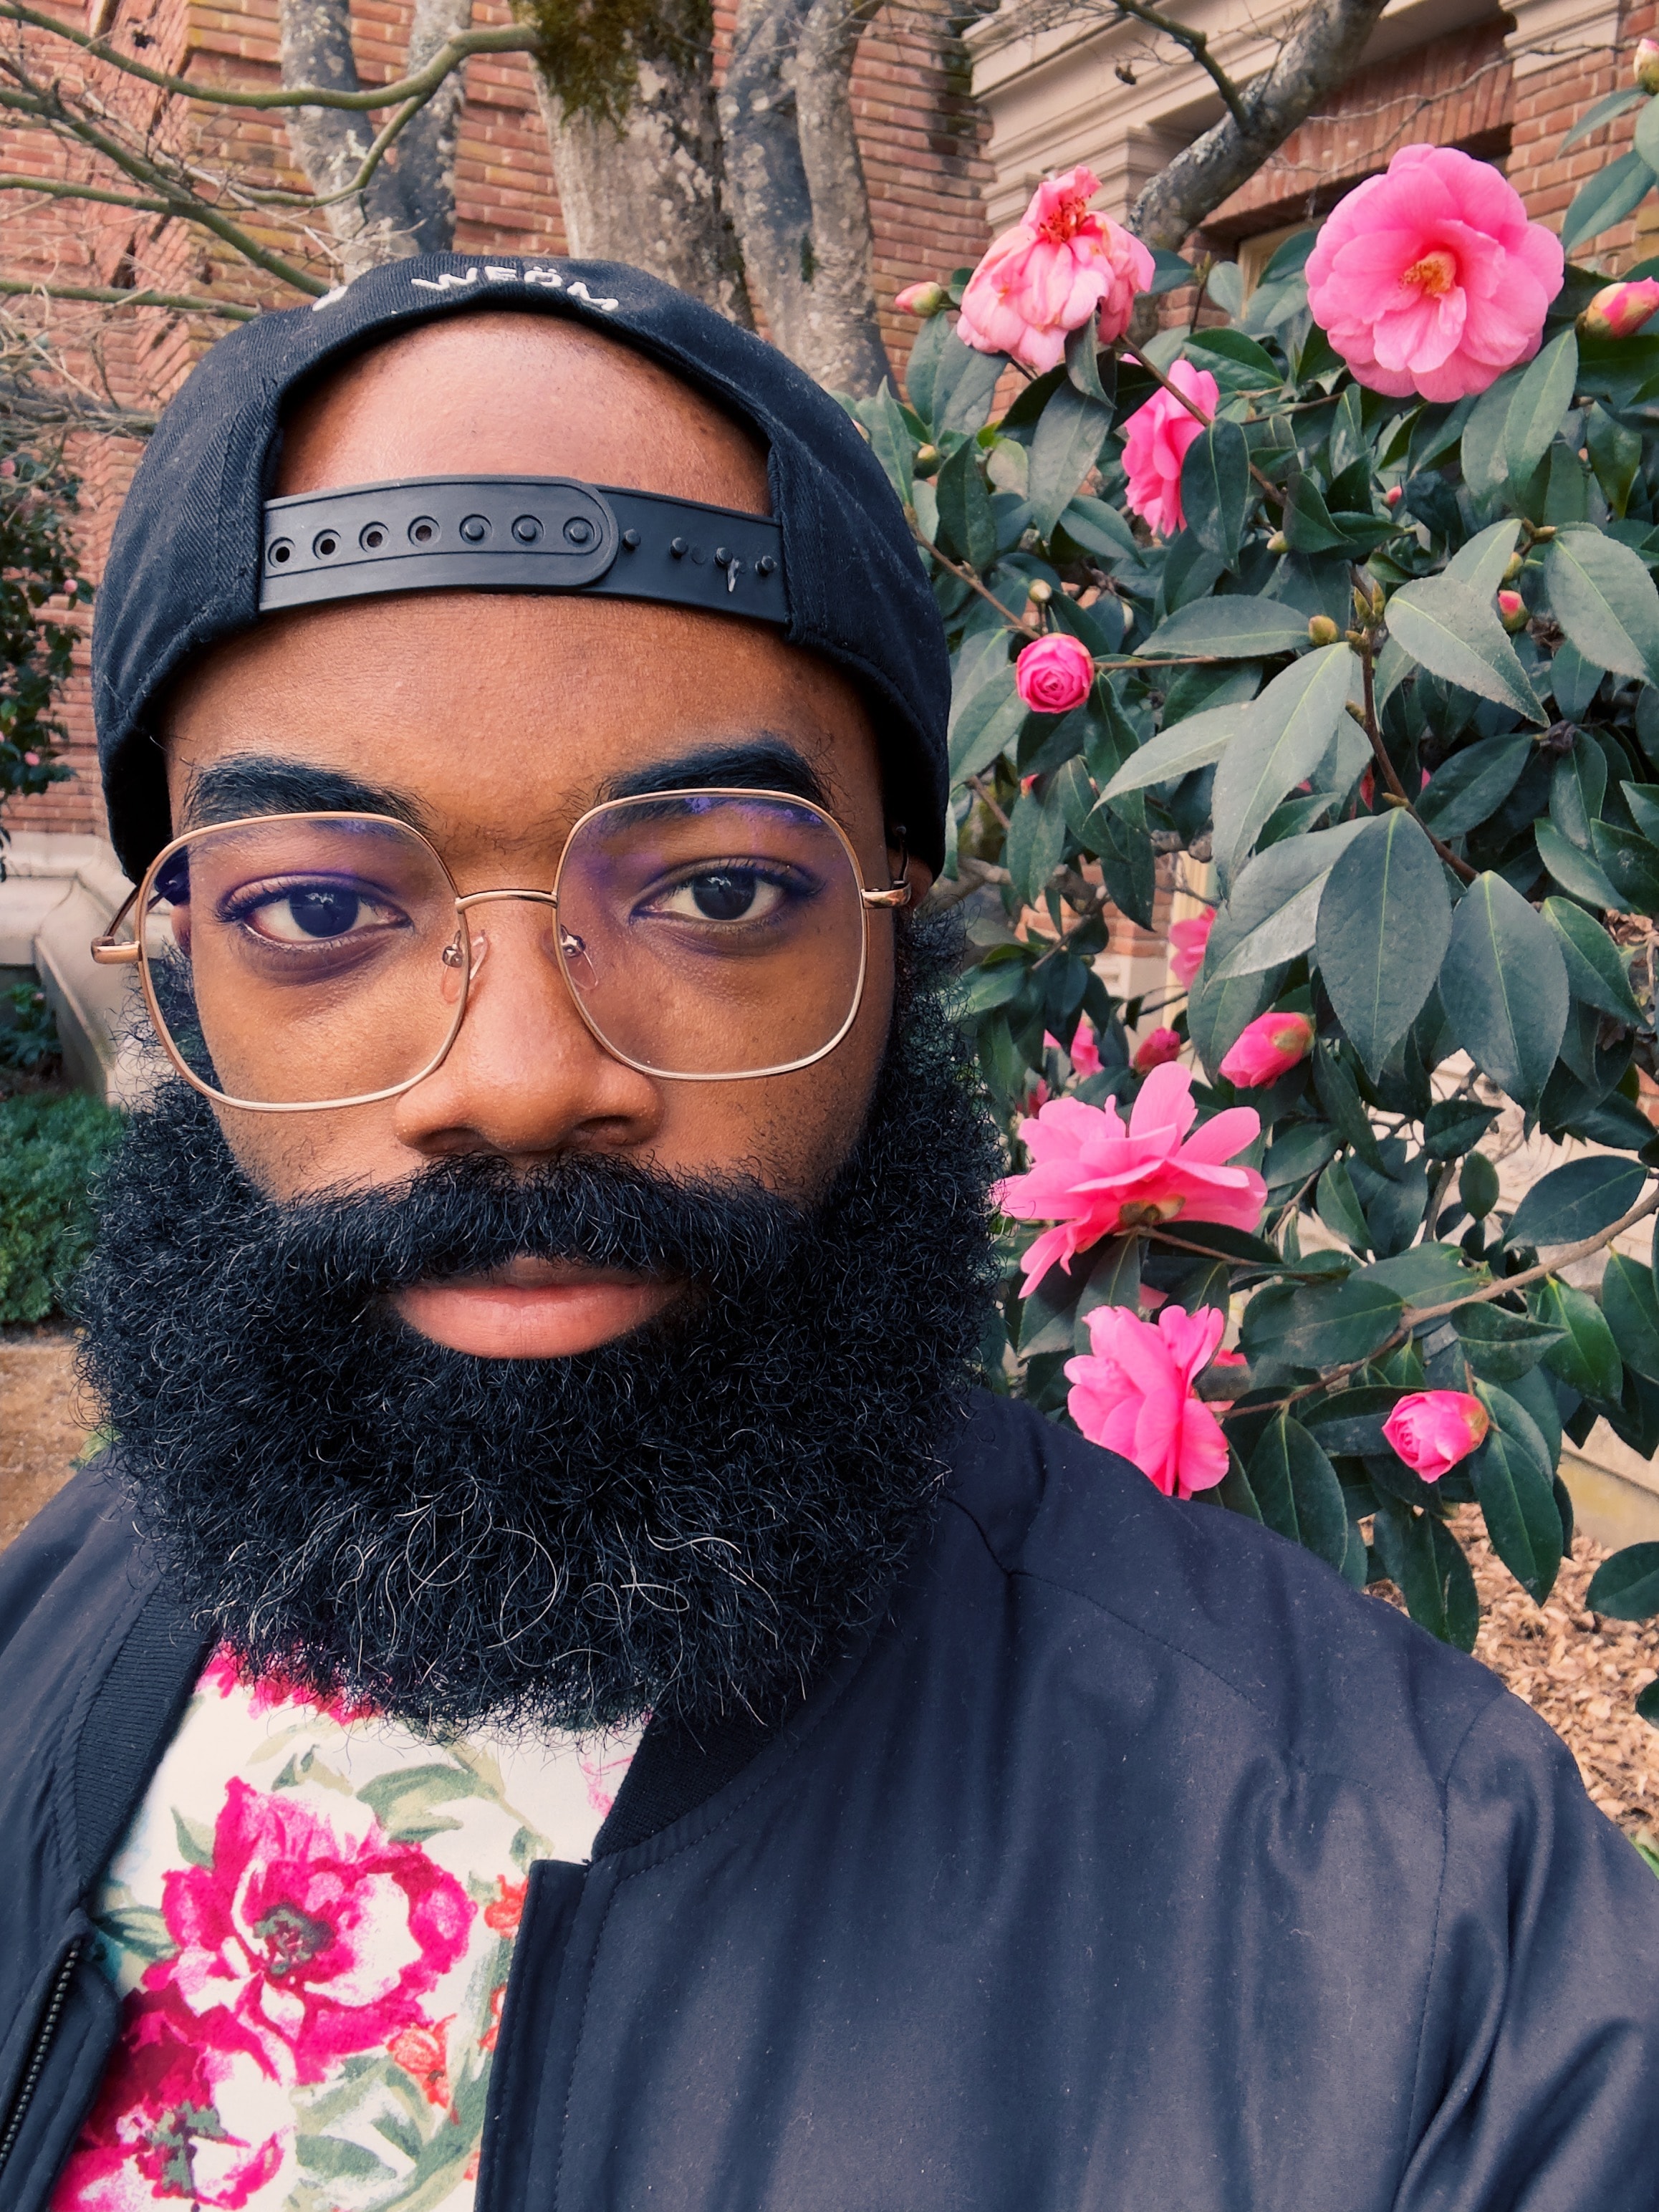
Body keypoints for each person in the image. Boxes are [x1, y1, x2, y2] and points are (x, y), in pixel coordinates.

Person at [1, 256, 1656, 2212]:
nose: (525, 1080)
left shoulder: (1433, 1933)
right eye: (312, 911)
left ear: (895, 940)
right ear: (181, 976)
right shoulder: (85, 1587)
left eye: (711, 889)